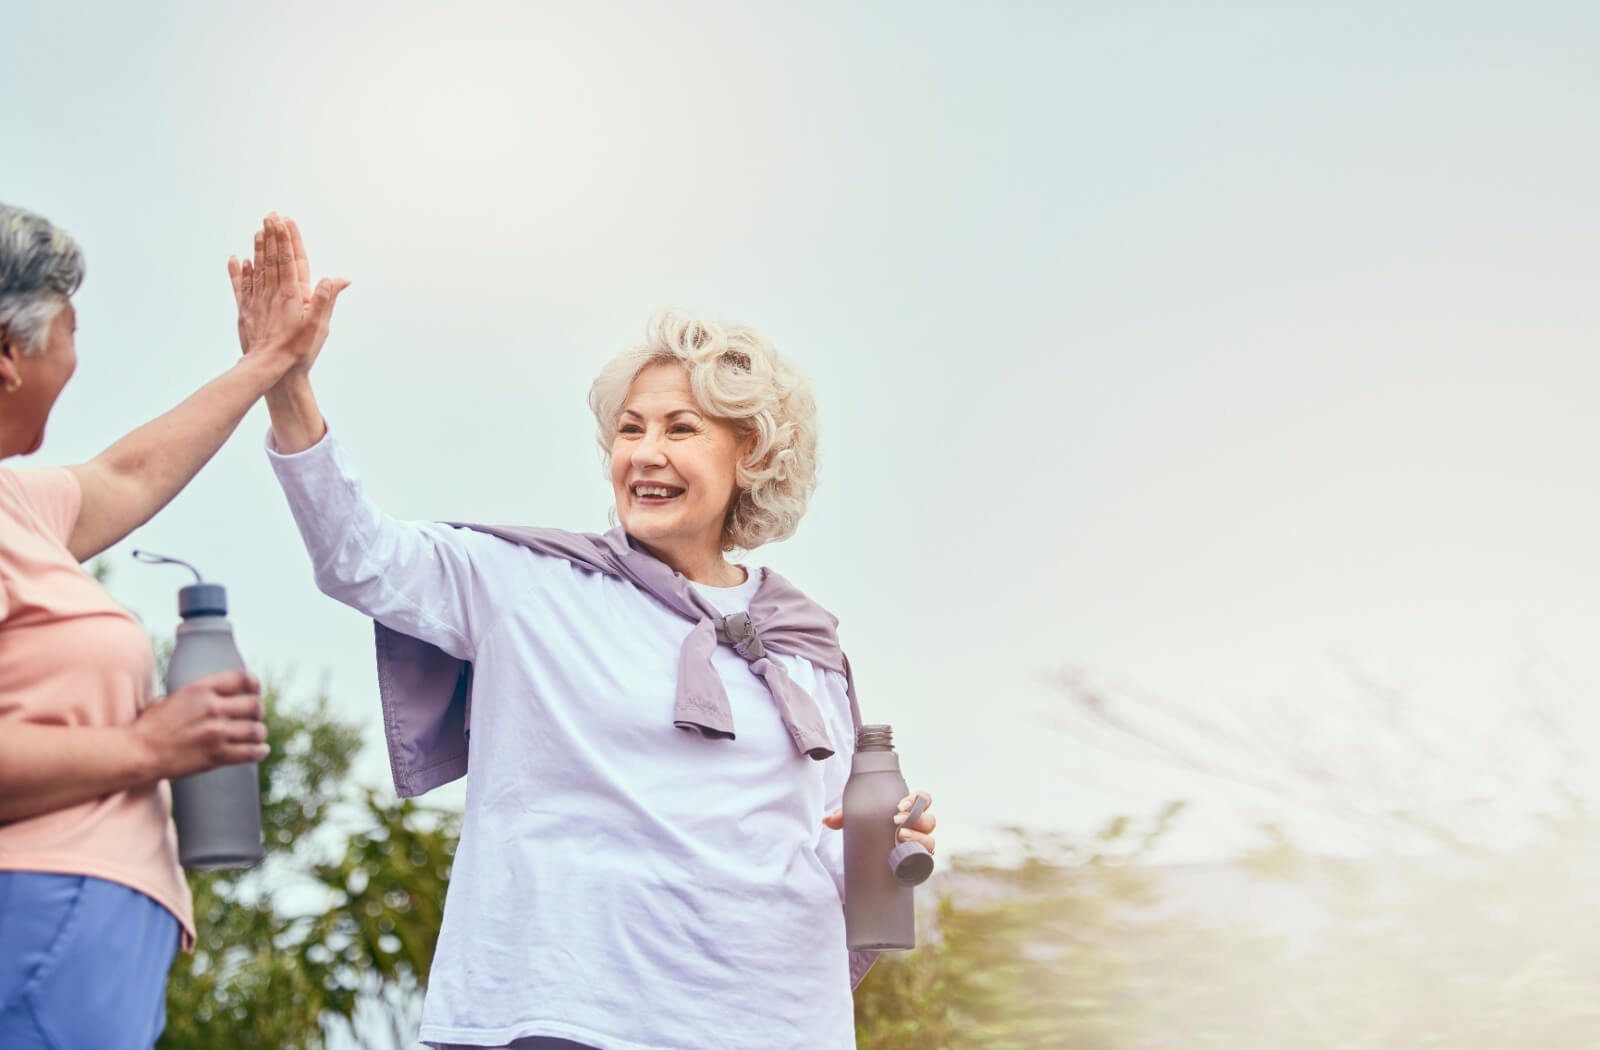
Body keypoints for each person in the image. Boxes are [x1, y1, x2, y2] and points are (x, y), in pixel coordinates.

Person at [251, 226, 938, 1050]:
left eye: (680, 429)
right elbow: (358, 557)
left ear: (748, 451)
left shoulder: (803, 644)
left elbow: (830, 867)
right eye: (631, 429)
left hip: (769, 1020)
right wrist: (286, 384)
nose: (644, 454)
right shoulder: (525, 583)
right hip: (564, 1011)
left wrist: (884, 843)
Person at [0, 204, 348, 1050]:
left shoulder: (17, 509)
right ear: (11, 352)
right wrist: (149, 748)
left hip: (94, 937)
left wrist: (271, 363)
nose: (78, 356)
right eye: (72, 329)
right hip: (36, 915)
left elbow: (130, 470)